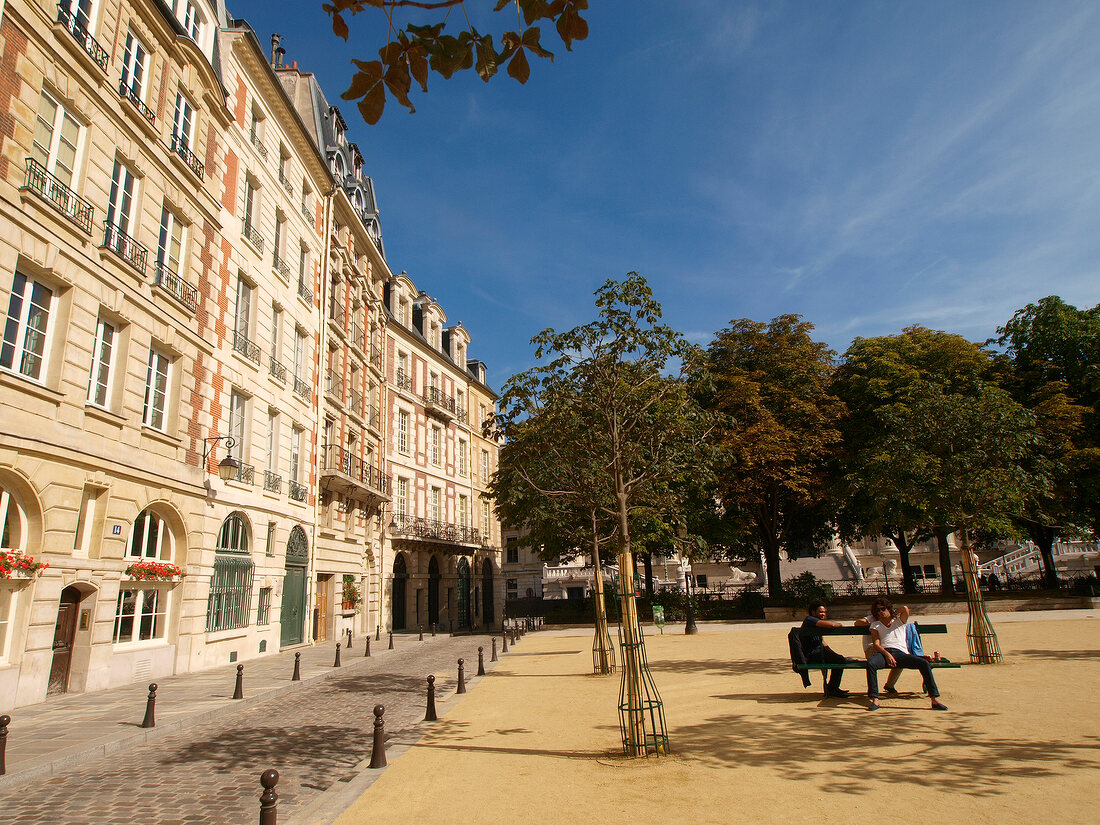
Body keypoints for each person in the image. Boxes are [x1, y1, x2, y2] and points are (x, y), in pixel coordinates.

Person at [866, 598, 948, 711]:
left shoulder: (899, 621)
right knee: (871, 664)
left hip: (900, 653)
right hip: (884, 652)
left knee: (924, 663)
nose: (880, 612)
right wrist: (886, 654)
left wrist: (894, 613)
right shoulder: (875, 625)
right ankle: (875, 699)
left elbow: (905, 609)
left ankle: (934, 699)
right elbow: (876, 644)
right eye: (878, 610)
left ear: (889, 609)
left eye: (883, 609)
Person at [801, 602, 852, 697]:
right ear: (813, 612)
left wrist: (835, 654)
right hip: (812, 654)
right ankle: (832, 688)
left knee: (839, 659)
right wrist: (839, 624)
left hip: (818, 652)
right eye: (820, 612)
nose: (823, 614)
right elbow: (832, 625)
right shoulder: (810, 620)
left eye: (824, 612)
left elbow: (823, 643)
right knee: (840, 660)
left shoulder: (816, 624)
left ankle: (832, 688)